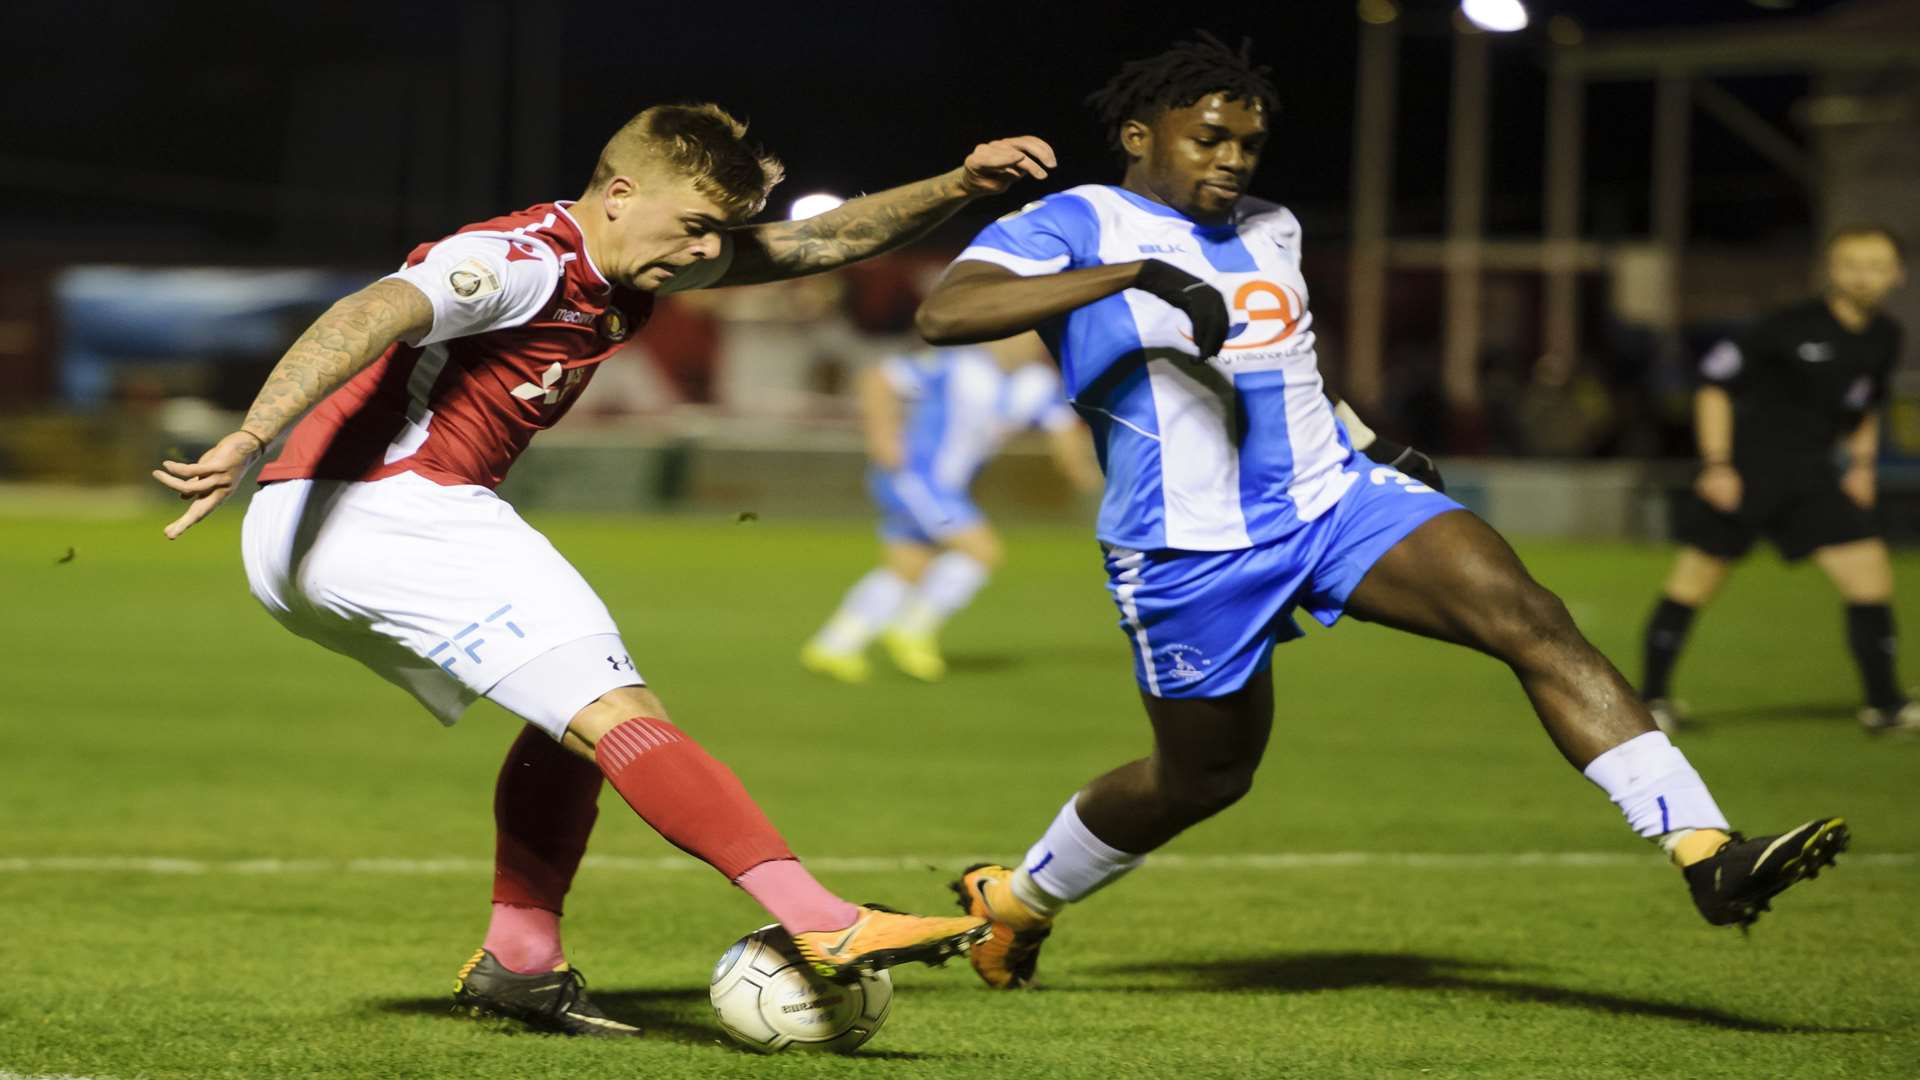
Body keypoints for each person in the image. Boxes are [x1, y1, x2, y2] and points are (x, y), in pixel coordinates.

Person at [910, 35, 1847, 991]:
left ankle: (1706, 849)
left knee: (1532, 619)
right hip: (1187, 548)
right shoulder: (1075, 220)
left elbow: (1286, 362)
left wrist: (1369, 442)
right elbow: (948, 314)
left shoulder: (1272, 226)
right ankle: (1018, 901)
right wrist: (1133, 276)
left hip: (1334, 499)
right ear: (1139, 133)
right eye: (1210, 139)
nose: (1234, 160)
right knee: (1203, 779)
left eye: (1249, 145)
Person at [151, 103, 1058, 1033]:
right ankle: (822, 920)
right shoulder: (524, 258)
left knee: (574, 716)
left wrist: (958, 187)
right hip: (381, 509)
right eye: (696, 225)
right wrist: (254, 432)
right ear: (620, 195)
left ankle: (520, 963)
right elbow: (373, 308)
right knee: (623, 714)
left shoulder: (633, 261)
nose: (707, 250)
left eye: (719, 232)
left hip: (334, 530)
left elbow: (818, 242)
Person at [1641, 227, 1912, 734]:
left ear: (1898, 275)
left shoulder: (1885, 337)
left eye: (1878, 265)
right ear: (1831, 270)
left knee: (1870, 578)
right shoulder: (1784, 326)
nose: (1865, 275)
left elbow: (1865, 405)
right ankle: (1650, 702)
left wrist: (1861, 466)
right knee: (1693, 583)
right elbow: (1714, 388)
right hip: (1747, 473)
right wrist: (1717, 465)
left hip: (1812, 477)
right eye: (1853, 263)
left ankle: (1885, 705)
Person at [802, 332, 1102, 682]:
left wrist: (1086, 474)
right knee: (982, 551)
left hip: (945, 488)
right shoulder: (956, 364)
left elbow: (1064, 433)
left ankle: (834, 646)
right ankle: (912, 630)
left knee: (907, 567)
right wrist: (883, 436)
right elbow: (877, 378)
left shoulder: (1036, 384)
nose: (1022, 343)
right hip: (915, 477)